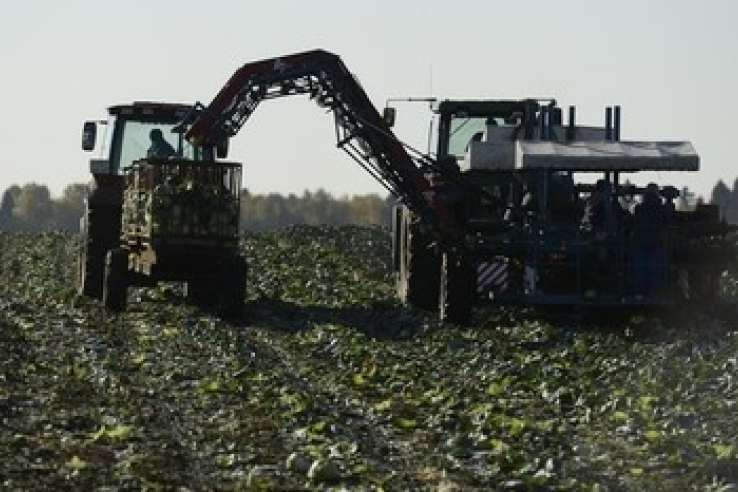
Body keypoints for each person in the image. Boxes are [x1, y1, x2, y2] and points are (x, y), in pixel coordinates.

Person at [631, 183, 668, 297]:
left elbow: (633, 223)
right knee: (655, 267)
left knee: (640, 267)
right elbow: (666, 224)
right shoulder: (661, 209)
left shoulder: (639, 208)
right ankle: (654, 291)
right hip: (656, 241)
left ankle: (639, 291)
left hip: (640, 241)